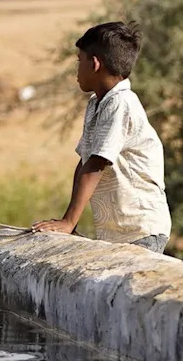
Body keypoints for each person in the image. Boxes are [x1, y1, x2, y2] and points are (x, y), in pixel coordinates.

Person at [33, 22, 171, 253]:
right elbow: (85, 162)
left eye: (80, 61)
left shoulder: (121, 103)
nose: (77, 71)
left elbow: (96, 164)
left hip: (141, 229)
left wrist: (67, 223)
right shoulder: (97, 103)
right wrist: (70, 222)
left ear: (95, 64)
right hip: (119, 233)